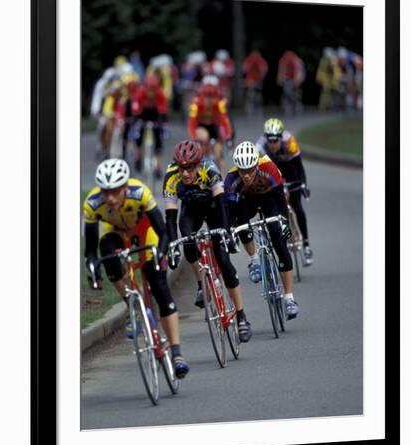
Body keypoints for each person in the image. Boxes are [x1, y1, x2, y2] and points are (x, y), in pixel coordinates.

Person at [83, 158, 189, 378]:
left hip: (144, 232)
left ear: (125, 187)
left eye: (115, 191)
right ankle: (132, 303)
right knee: (106, 249)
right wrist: (93, 269)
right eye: (106, 192)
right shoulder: (93, 203)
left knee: (160, 289)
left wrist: (161, 251)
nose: (110, 198)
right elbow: (91, 250)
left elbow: (163, 231)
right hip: (116, 234)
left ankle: (177, 353)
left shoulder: (140, 192)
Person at [163, 140, 252, 342]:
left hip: (214, 209)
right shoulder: (171, 175)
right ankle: (201, 284)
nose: (185, 173)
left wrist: (226, 233)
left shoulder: (210, 169)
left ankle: (241, 316)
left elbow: (222, 204)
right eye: (181, 167)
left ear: (198, 163)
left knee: (223, 260)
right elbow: (170, 216)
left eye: (190, 168)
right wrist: (172, 247)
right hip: (191, 210)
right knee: (186, 243)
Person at [224, 141, 299, 319]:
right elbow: (230, 211)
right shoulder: (231, 178)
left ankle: (289, 298)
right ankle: (254, 260)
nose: (246, 175)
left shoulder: (269, 168)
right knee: (241, 222)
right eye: (242, 171)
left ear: (257, 164)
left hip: (270, 199)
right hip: (247, 201)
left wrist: (284, 223)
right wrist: (231, 231)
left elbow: (281, 201)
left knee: (278, 238)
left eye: (250, 170)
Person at [256, 118, 313, 265]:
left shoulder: (290, 142)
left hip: (290, 169)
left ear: (281, 137)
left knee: (297, 206)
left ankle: (306, 245)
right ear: (265, 138)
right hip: (274, 171)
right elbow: (259, 171)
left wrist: (303, 185)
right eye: (270, 140)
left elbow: (299, 166)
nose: (273, 143)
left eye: (276, 140)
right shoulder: (260, 146)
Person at [187, 81, 233, 173]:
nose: (209, 100)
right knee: (204, 136)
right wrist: (194, 137)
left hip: (214, 127)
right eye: (207, 97)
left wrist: (228, 135)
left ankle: (221, 177)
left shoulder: (219, 104)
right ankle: (201, 161)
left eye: (212, 97)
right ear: (203, 96)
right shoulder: (196, 104)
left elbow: (225, 121)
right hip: (201, 126)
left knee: (218, 154)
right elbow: (191, 123)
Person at [131, 73, 168, 178]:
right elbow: (136, 107)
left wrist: (163, 123)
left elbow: (163, 109)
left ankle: (158, 166)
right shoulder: (140, 92)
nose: (151, 93)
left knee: (159, 138)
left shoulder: (160, 93)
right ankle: (138, 156)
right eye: (149, 90)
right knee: (139, 133)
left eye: (153, 90)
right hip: (143, 114)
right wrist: (136, 120)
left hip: (156, 115)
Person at [276, 50, 305, 115]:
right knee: (287, 93)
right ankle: (288, 107)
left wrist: (298, 81)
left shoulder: (296, 60)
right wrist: (280, 79)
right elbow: (281, 71)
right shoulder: (283, 60)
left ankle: (297, 106)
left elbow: (299, 71)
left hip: (296, 77)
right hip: (288, 78)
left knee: (296, 93)